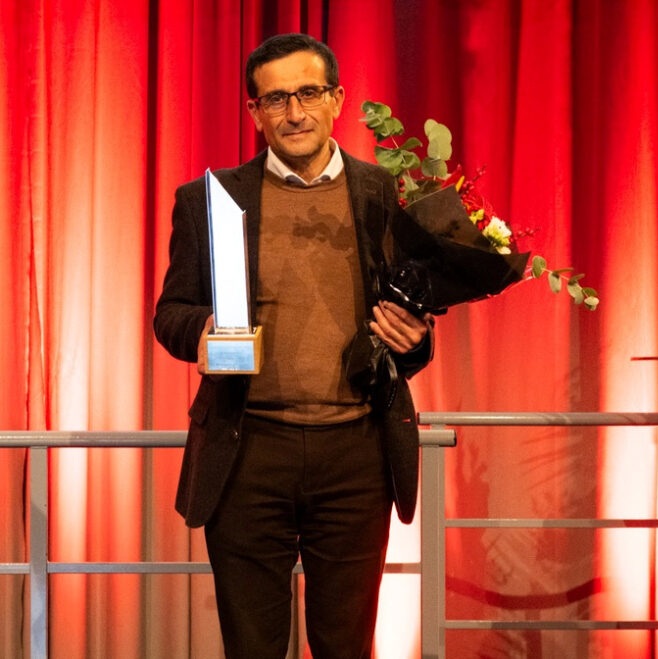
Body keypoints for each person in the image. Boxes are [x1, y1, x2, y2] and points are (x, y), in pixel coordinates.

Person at [153, 33, 433, 658]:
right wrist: (205, 332)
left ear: (336, 99)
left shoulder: (384, 197)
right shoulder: (209, 200)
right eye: (275, 99)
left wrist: (414, 339)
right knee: (252, 646)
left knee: (346, 645)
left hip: (357, 455)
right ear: (254, 113)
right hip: (247, 449)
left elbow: (410, 331)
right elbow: (169, 314)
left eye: (308, 93)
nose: (294, 112)